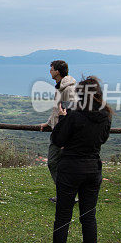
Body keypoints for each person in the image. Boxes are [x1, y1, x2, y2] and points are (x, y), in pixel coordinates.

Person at [43, 76, 112, 243]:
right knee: (89, 217)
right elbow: (103, 139)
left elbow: (57, 139)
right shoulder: (105, 117)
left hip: (70, 169)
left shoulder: (74, 116)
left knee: (63, 216)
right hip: (93, 169)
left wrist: (63, 118)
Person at [38, 60, 77, 203]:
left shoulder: (68, 89)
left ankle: (67, 194)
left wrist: (65, 136)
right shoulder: (60, 87)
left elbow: (69, 113)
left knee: (54, 162)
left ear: (58, 72)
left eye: (52, 69)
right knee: (58, 163)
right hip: (58, 131)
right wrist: (48, 123)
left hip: (62, 134)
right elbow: (57, 110)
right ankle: (65, 193)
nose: (50, 71)